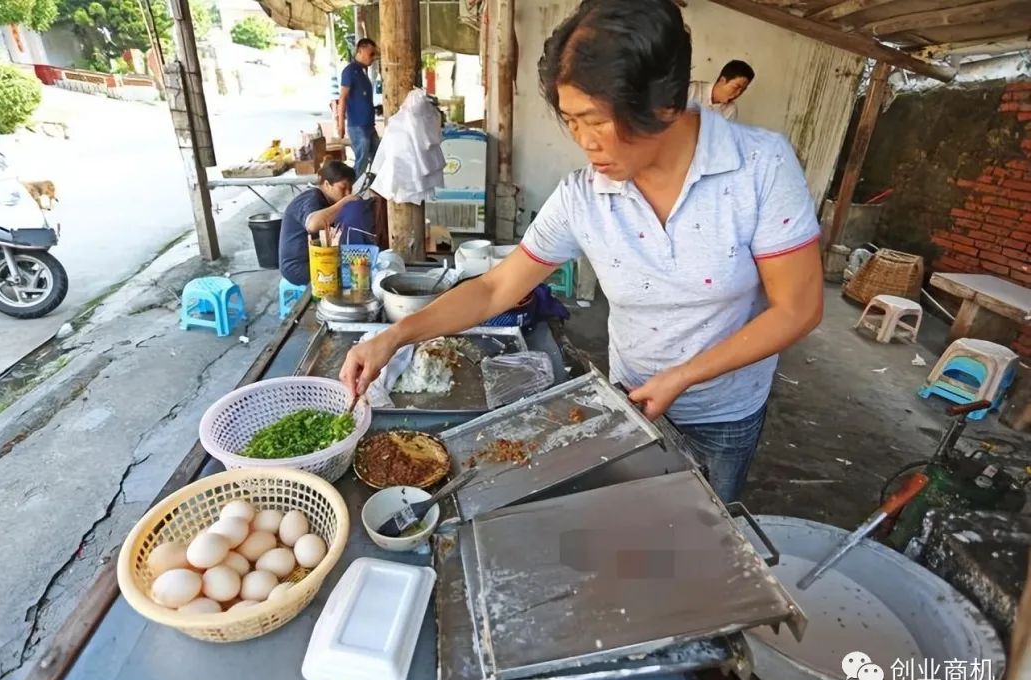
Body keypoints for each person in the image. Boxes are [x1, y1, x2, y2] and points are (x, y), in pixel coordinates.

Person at [339, 0, 822, 503]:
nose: (583, 143)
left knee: (705, 531)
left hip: (723, 411)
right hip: (632, 396)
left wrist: (684, 376)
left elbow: (799, 307)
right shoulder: (585, 194)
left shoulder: (758, 167)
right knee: (632, 517)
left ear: (662, 103)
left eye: (595, 120)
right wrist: (394, 336)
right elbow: (493, 288)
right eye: (571, 121)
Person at [277, 160, 357, 286]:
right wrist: (344, 202)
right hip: (298, 267)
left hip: (316, 259)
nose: (347, 193)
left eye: (350, 189)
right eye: (343, 188)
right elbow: (313, 225)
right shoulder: (312, 198)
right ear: (326, 184)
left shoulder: (328, 201)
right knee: (353, 276)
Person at [337, 38, 380, 177]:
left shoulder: (363, 72)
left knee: (378, 159)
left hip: (369, 125)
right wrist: (340, 124)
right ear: (360, 50)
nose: (373, 58)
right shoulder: (349, 71)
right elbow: (342, 97)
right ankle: (352, 192)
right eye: (371, 54)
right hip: (357, 126)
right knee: (361, 162)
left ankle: (373, 191)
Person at [687, 59, 754, 121]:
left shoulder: (730, 110)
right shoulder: (692, 90)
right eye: (736, 87)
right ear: (722, 80)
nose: (738, 93)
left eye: (742, 90)